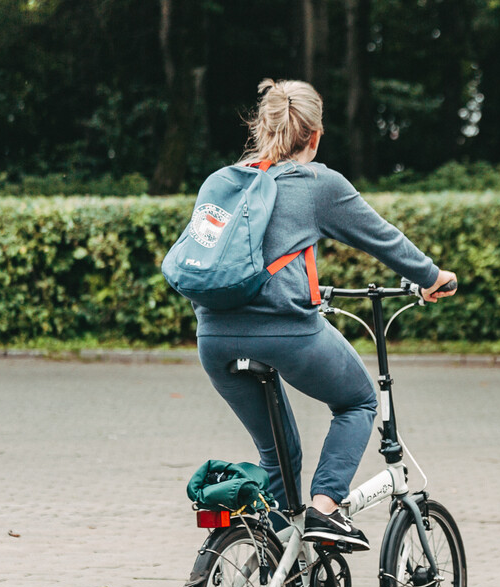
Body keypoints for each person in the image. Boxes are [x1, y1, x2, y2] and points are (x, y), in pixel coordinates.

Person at [194, 79, 457, 550]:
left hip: (213, 337)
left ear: (260, 127)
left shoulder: (222, 183)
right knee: (357, 401)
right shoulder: (319, 185)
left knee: (278, 457)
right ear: (314, 136)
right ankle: (325, 509)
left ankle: (275, 568)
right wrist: (433, 276)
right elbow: (384, 239)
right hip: (285, 333)